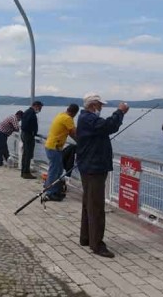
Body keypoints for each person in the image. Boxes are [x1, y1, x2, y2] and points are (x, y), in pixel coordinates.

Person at [77, 93, 129, 258]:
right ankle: (97, 244)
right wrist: (119, 112)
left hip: (89, 167)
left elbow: (104, 127)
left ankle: (86, 237)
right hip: (94, 168)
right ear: (93, 105)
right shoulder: (88, 119)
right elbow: (109, 126)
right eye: (100, 106)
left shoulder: (86, 119)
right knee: (96, 207)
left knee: (89, 204)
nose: (101, 108)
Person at [43, 104, 79, 202]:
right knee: (55, 171)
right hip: (54, 148)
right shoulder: (68, 118)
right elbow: (74, 132)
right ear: (75, 113)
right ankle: (50, 193)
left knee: (57, 170)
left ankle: (52, 189)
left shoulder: (61, 115)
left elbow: (71, 134)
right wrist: (82, 143)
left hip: (51, 146)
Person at [20, 100, 43, 179]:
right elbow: (26, 125)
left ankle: (24, 171)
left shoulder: (27, 112)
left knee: (25, 153)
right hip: (28, 135)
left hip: (25, 134)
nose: (40, 109)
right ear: (36, 106)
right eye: (40, 107)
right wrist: (33, 132)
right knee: (28, 154)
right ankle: (26, 172)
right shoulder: (31, 113)